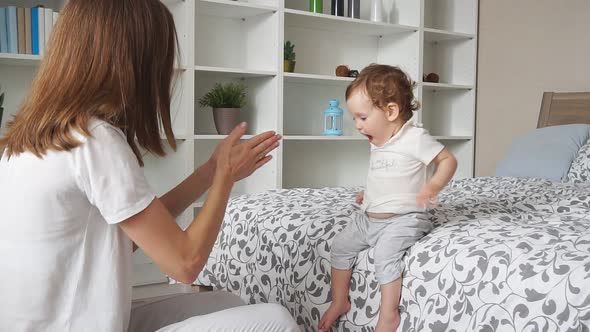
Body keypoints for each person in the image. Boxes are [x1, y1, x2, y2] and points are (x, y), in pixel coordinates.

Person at [0, 1, 299, 331]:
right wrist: (225, 179)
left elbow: (132, 234)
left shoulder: (30, 138)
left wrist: (211, 170)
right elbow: (185, 263)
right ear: (135, 60)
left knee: (227, 302)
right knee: (276, 320)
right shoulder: (94, 139)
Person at [318, 64, 457, 332]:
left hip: (405, 218)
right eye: (355, 119)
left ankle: (389, 314)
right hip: (369, 217)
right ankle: (339, 301)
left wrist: (434, 186)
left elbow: (448, 160)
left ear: (391, 111)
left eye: (362, 117)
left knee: (385, 254)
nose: (358, 126)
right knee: (340, 247)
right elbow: (387, 174)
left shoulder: (414, 137)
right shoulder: (378, 139)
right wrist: (369, 194)